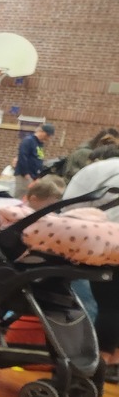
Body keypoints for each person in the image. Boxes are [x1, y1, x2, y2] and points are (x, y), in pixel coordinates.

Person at [63, 143, 119, 383]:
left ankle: (103, 361)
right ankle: (113, 359)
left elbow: (68, 212)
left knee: (108, 303)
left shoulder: (92, 172)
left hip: (109, 244)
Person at [13, 122, 54, 200]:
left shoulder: (40, 144)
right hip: (24, 175)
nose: (48, 138)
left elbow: (38, 159)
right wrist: (26, 173)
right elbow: (22, 157)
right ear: (41, 131)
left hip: (33, 176)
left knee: (28, 197)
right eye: (47, 135)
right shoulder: (29, 141)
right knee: (21, 196)